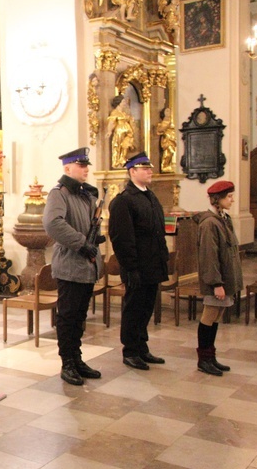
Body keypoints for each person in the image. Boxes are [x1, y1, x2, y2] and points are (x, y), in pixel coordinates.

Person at [42, 147, 105, 386]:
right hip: (70, 265)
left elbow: (89, 225)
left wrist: (94, 240)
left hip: (86, 266)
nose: (86, 169)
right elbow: (53, 223)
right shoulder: (59, 193)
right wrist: (82, 244)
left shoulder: (85, 195)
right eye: (81, 165)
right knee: (67, 317)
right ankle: (67, 363)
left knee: (79, 316)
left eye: (87, 165)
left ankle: (77, 358)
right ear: (67, 168)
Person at [108, 152, 169, 370]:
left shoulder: (150, 196)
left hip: (153, 264)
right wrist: (130, 268)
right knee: (134, 308)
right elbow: (122, 238)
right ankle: (130, 350)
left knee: (146, 308)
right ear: (132, 171)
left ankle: (142, 347)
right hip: (137, 266)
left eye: (150, 167)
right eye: (144, 168)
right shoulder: (124, 201)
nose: (150, 171)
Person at [193, 181, 242, 376]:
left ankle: (210, 356)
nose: (232, 199)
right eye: (229, 196)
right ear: (217, 199)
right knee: (209, 317)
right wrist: (216, 283)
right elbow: (209, 256)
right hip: (216, 280)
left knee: (215, 319)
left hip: (225, 278)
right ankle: (203, 359)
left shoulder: (223, 219)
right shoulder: (209, 223)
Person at [106, 95, 136, 169]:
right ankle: (118, 161)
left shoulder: (124, 113)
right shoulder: (115, 112)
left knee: (126, 145)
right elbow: (111, 122)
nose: (124, 103)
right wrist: (109, 131)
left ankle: (123, 158)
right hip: (120, 132)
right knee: (119, 146)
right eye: (123, 101)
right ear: (119, 103)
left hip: (127, 132)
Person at [156, 107, 176, 173]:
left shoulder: (171, 121)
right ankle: (164, 166)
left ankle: (168, 165)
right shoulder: (165, 121)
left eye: (169, 111)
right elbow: (160, 130)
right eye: (167, 111)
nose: (168, 113)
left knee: (172, 152)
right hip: (167, 139)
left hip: (172, 139)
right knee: (169, 152)